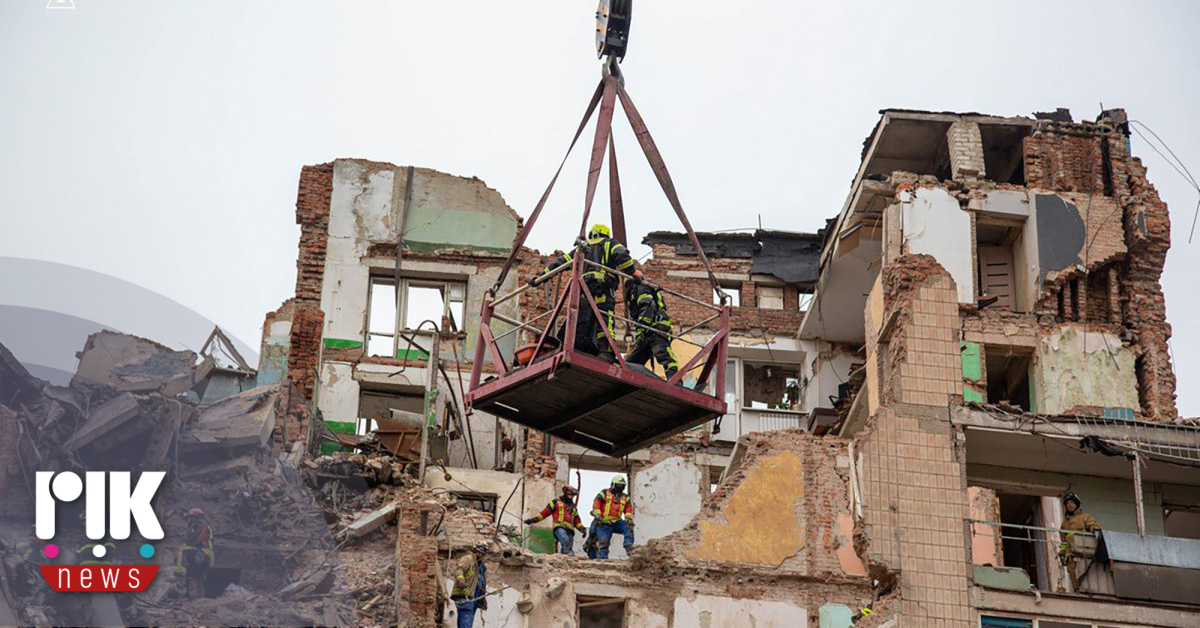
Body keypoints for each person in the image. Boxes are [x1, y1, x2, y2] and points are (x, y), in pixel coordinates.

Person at [531, 224, 641, 361]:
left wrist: (542, 276)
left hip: (585, 290)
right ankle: (606, 351)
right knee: (604, 317)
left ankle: (575, 344)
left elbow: (561, 262)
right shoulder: (609, 243)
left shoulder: (582, 248)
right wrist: (633, 272)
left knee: (583, 317)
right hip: (603, 288)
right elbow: (621, 254)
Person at [624, 280, 679, 380]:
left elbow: (648, 308)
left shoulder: (641, 288)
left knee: (661, 351)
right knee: (631, 362)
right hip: (647, 331)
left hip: (657, 327)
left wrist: (641, 330)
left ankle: (675, 379)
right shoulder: (635, 294)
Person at [524, 486, 587, 556]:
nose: (572, 497)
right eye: (570, 495)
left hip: (570, 530)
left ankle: (565, 559)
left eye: (573, 496)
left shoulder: (573, 508)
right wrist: (533, 520)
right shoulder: (555, 502)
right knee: (565, 541)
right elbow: (544, 513)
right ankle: (568, 555)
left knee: (568, 548)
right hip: (559, 527)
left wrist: (582, 528)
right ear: (566, 493)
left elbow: (577, 520)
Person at [1059, 492, 1100, 590]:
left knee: (1088, 578)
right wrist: (1062, 554)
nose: (1070, 505)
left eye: (1072, 502)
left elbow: (1094, 527)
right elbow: (1064, 542)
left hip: (1084, 553)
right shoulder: (1064, 524)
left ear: (1077, 504)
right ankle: (1078, 592)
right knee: (1075, 579)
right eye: (1068, 503)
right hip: (1071, 556)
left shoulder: (1085, 517)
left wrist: (1095, 530)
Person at [591, 475, 634, 559]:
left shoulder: (625, 497)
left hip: (617, 522)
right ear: (613, 484)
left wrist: (628, 518)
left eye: (622, 486)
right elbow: (597, 503)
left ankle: (629, 546)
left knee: (628, 526)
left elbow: (628, 509)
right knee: (603, 543)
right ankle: (602, 560)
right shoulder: (604, 493)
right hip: (604, 522)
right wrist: (598, 515)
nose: (620, 487)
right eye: (618, 485)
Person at [175, 508, 215, 599]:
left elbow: (194, 540)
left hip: (204, 553)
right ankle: (199, 601)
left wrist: (187, 545)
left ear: (194, 517)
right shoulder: (202, 526)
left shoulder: (200, 524)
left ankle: (179, 575)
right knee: (197, 579)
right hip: (204, 556)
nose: (188, 521)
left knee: (182, 549)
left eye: (189, 518)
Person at [451, 541, 490, 628]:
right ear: (475, 550)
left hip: (474, 598)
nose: (481, 554)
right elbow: (459, 569)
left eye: (483, 552)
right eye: (479, 551)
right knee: (466, 620)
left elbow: (481, 583)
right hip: (464, 595)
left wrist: (483, 598)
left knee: (468, 621)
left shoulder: (481, 566)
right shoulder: (468, 559)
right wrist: (460, 579)